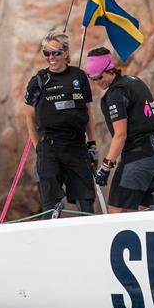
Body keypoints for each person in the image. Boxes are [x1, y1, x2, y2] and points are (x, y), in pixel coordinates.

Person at [85, 47, 154, 213]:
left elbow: (120, 135)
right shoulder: (135, 81)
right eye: (91, 79)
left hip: (139, 157)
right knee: (146, 210)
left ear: (110, 69)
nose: (97, 82)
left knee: (117, 210)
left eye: (99, 77)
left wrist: (106, 167)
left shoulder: (116, 93)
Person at [23, 32, 97, 214]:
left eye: (55, 53)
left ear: (65, 53)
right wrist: (37, 147)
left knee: (86, 201)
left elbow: (88, 112)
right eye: (47, 53)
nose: (51, 57)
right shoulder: (39, 81)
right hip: (49, 147)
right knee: (50, 205)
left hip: (77, 146)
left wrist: (92, 144)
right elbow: (28, 117)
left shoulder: (79, 76)